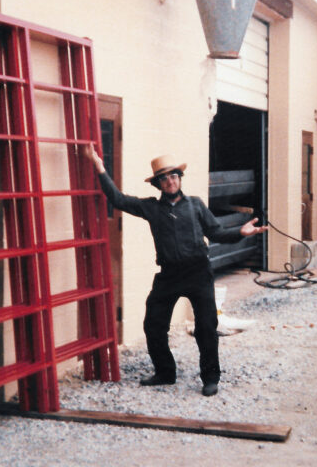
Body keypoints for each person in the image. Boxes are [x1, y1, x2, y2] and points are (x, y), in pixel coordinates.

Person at [84, 146, 268, 396]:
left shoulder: (196, 205)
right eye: (164, 178)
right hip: (169, 275)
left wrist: (240, 232)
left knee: (206, 326)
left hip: (198, 272)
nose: (170, 181)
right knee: (154, 324)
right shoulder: (150, 208)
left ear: (180, 179)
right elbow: (117, 199)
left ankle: (210, 378)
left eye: (173, 176)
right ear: (158, 184)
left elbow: (217, 233)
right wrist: (99, 167)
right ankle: (164, 372)